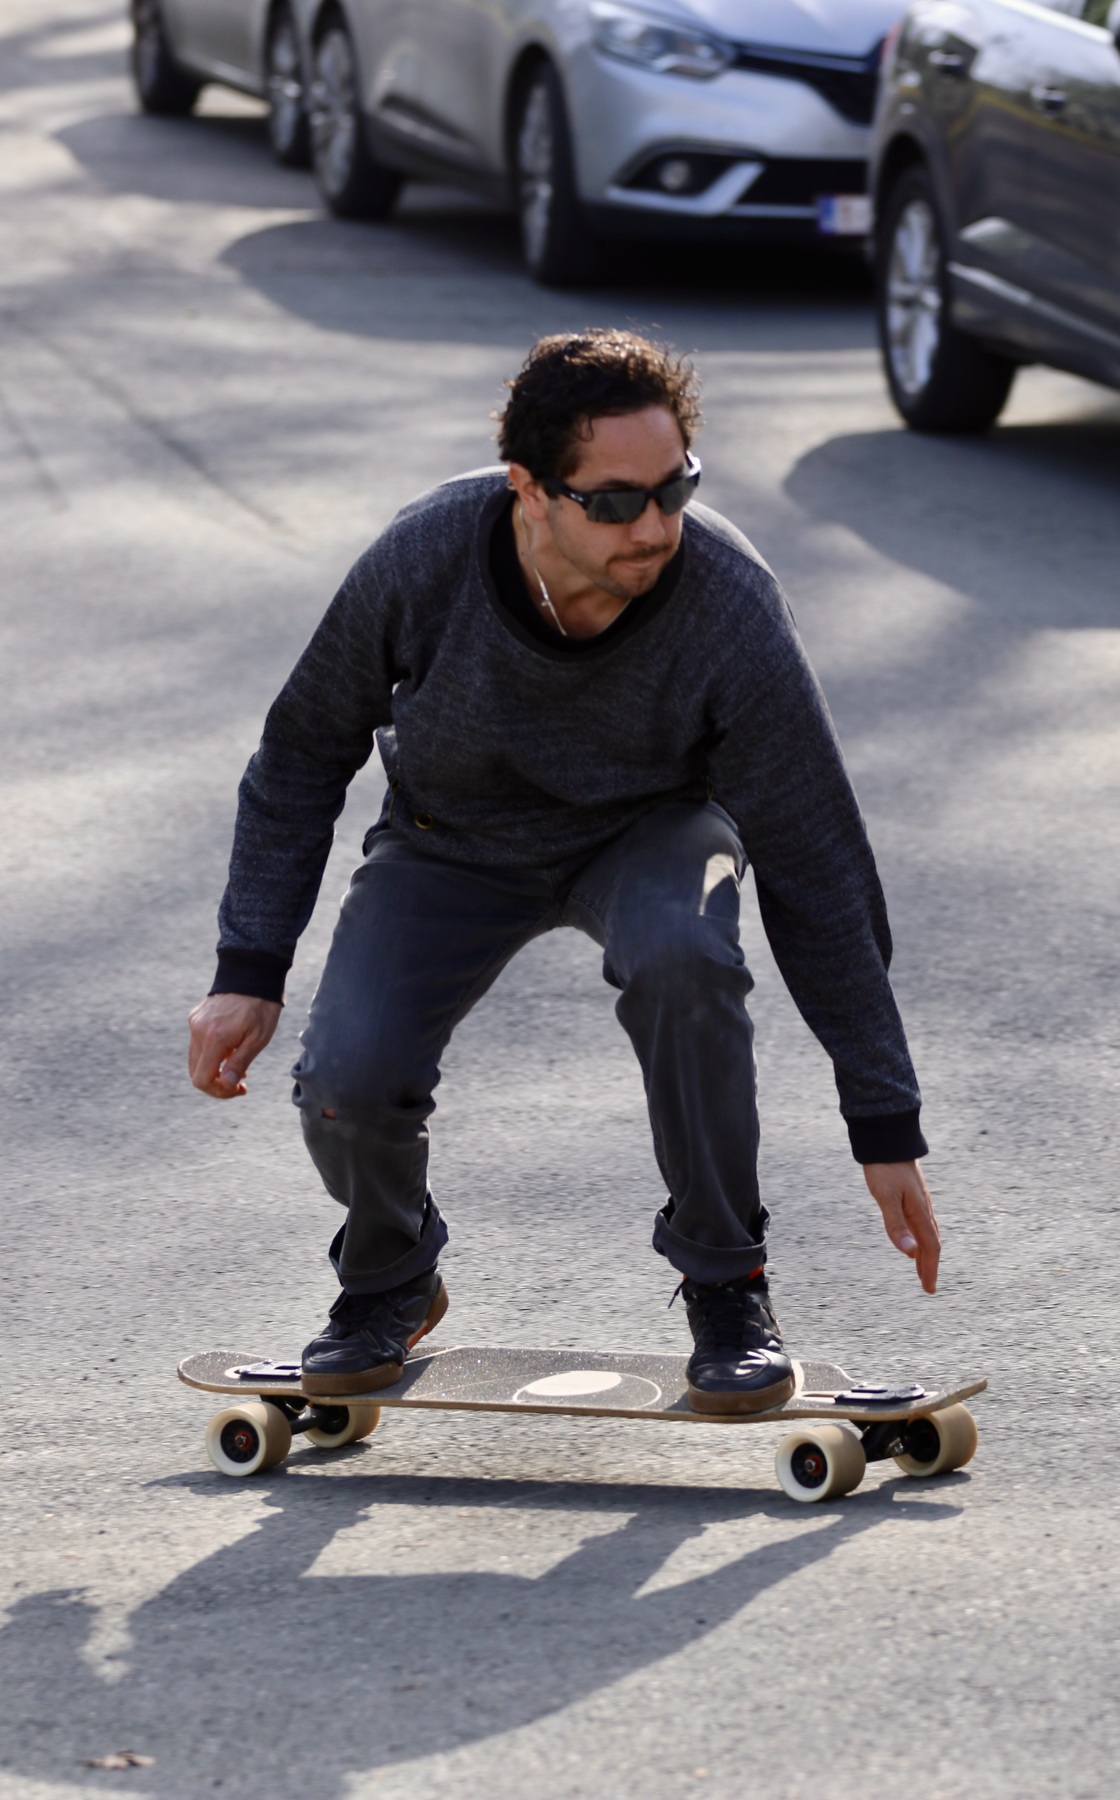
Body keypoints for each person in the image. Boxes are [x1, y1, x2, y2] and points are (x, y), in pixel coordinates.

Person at [188, 329, 940, 1417]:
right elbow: (302, 751)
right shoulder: (425, 558)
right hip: (451, 836)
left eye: (676, 489)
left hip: (650, 829)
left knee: (685, 956)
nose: (657, 527)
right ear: (530, 491)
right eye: (617, 502)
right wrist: (248, 968)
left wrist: (884, 1119)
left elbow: (817, 859)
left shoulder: (727, 603)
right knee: (346, 1079)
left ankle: (728, 1284)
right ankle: (390, 1275)